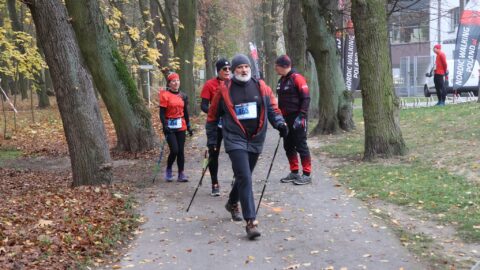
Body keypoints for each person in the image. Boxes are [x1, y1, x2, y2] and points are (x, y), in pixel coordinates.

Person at [206, 54, 288, 240]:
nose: (243, 70)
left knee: (245, 176)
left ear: (250, 68)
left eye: (246, 66)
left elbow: (273, 109)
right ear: (233, 71)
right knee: (244, 176)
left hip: (256, 138)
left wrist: (280, 124)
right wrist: (212, 140)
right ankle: (251, 222)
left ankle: (232, 202)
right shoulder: (224, 89)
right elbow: (212, 117)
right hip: (235, 138)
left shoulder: (261, 86)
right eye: (239, 67)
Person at [274, 55, 312, 185]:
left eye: (276, 66)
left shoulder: (297, 78)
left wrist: (301, 116)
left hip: (298, 118)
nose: (275, 68)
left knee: (301, 145)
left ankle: (307, 174)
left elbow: (306, 98)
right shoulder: (281, 81)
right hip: (286, 118)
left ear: (283, 66)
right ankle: (294, 172)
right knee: (288, 145)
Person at [200, 58, 231, 196]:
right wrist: (215, 112)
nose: (228, 71)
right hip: (215, 125)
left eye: (229, 69)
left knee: (236, 152)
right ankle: (215, 183)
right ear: (218, 70)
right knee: (213, 154)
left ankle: (237, 180)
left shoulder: (234, 84)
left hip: (230, 125)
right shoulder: (209, 84)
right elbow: (203, 105)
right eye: (225, 69)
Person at [159, 72, 193, 182]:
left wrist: (188, 125)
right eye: (173, 81)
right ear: (169, 83)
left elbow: (185, 112)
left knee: (181, 151)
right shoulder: (165, 95)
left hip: (181, 125)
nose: (176, 83)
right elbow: (162, 113)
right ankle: (168, 169)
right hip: (169, 126)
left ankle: (181, 173)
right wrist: (165, 125)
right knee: (174, 150)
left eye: (177, 80)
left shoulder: (183, 96)